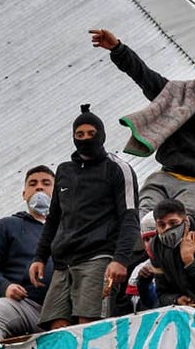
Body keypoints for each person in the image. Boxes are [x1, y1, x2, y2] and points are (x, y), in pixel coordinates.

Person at [89, 28, 195, 216]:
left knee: (181, 221)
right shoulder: (177, 95)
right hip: (164, 176)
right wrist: (117, 49)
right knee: (141, 218)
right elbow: (144, 76)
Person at [29, 105, 140, 328]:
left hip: (98, 257)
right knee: (56, 328)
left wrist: (120, 259)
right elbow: (54, 219)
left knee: (89, 325)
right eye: (80, 135)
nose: (85, 139)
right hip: (63, 263)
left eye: (91, 134)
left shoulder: (118, 169)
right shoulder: (64, 171)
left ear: (102, 135)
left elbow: (130, 217)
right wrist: (39, 257)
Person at [0, 166, 56, 344]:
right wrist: (5, 287)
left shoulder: (71, 227)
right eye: (33, 184)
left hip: (66, 310)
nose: (39, 188)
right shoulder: (9, 225)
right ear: (24, 193)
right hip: (28, 307)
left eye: (46, 183)